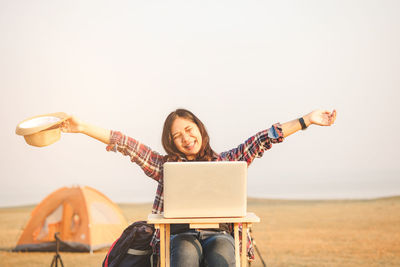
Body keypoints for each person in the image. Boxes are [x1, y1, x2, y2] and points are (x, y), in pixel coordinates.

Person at [61, 108, 336, 267]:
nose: (186, 138)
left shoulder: (228, 161)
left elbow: (264, 139)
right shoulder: (164, 167)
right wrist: (83, 127)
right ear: (171, 143)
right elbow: (125, 144)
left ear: (200, 130)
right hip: (178, 237)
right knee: (186, 253)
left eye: (189, 130)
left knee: (221, 255)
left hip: (220, 235)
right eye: (177, 135)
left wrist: (306, 120)